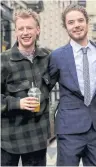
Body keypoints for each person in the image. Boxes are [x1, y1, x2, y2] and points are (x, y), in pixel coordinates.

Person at [48, 4, 96, 166]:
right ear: (66, 27)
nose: (77, 25)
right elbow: (45, 86)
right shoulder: (57, 56)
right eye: (71, 22)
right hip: (68, 130)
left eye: (80, 20)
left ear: (87, 23)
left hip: (95, 130)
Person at [1, 9, 50, 166]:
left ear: (38, 30)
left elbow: (72, 63)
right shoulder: (3, 61)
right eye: (21, 28)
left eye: (29, 28)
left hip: (37, 139)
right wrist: (18, 103)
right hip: (9, 140)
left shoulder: (48, 58)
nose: (25, 32)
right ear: (16, 31)